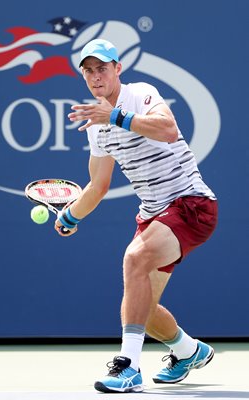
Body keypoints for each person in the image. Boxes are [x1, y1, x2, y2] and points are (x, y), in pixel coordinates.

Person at [54, 39, 218, 393]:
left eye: (102, 68)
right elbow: (97, 185)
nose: (96, 77)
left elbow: (168, 129)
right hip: (154, 214)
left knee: (134, 259)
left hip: (190, 204)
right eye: (88, 71)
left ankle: (128, 367)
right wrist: (71, 215)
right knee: (142, 306)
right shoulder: (96, 127)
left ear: (117, 69)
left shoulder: (140, 94)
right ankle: (189, 351)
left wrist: (113, 115)